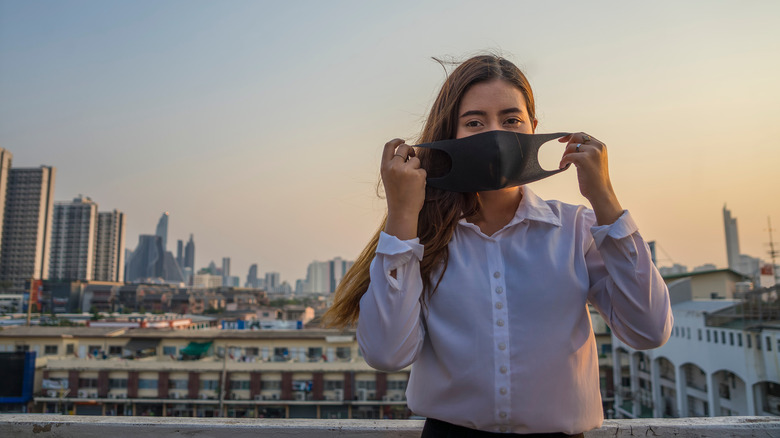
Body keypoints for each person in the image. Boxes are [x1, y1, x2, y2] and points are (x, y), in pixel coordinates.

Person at [324, 55, 673, 437]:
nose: (495, 135)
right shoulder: (422, 238)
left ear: (533, 127)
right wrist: (403, 215)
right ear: (450, 133)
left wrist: (605, 198)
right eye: (474, 122)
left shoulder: (576, 229)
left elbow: (649, 330)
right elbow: (387, 354)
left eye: (511, 120)